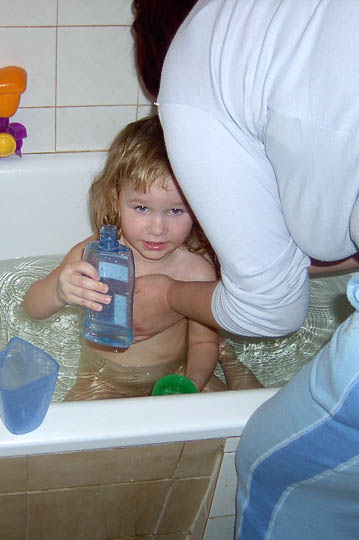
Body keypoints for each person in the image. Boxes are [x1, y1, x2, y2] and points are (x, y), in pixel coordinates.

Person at [131, 0, 359, 538]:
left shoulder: (200, 55)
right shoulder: (296, 32)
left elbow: (268, 311)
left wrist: (165, 296)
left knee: (285, 473)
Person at [23, 115, 258, 400]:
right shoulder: (92, 255)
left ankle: (228, 359)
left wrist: (191, 383)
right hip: (102, 377)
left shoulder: (196, 271)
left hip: (174, 372)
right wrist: (59, 291)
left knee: (240, 412)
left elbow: (202, 341)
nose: (157, 228)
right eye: (142, 208)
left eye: (176, 211)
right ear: (116, 199)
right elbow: (32, 308)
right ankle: (228, 358)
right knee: (71, 426)